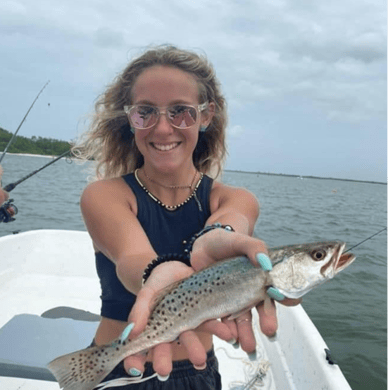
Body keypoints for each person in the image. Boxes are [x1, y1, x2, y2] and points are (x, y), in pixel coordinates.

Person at [75, 45, 300, 389]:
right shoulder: (103, 195)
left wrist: (220, 234)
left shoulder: (235, 199)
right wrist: (155, 274)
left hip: (197, 374)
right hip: (115, 368)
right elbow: (132, 256)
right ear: (130, 119)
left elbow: (229, 222)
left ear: (206, 116)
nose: (163, 128)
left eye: (181, 111)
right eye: (145, 112)